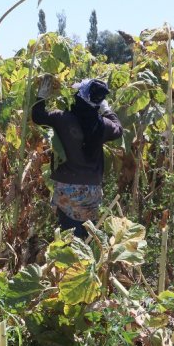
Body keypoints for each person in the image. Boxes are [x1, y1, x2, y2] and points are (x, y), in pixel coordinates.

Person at [31, 77, 123, 238]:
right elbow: (119, 129)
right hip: (92, 189)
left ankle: (72, 262)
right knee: (87, 236)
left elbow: (38, 116)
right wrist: (106, 110)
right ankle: (87, 262)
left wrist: (42, 97)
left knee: (69, 237)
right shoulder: (102, 125)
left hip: (68, 189)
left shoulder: (62, 118)